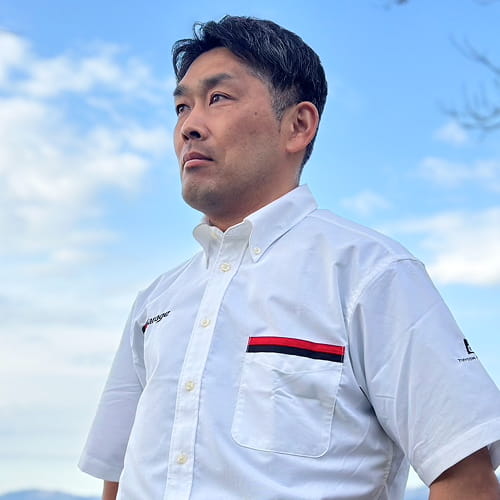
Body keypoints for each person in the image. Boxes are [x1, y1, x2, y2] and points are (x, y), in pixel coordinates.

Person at [79, 16, 500, 500]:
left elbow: (466, 481)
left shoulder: (371, 274)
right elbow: (119, 478)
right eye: (181, 107)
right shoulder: (156, 302)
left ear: (298, 125)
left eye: (218, 98)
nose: (188, 126)